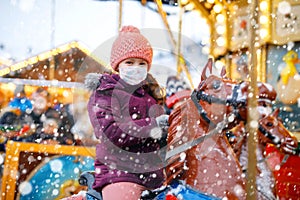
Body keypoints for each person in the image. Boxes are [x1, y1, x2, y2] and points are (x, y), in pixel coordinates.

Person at [85, 25, 168, 200]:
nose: (136, 68)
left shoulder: (151, 96)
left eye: (142, 63)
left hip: (153, 176)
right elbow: (111, 132)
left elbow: (159, 141)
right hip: (120, 173)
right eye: (129, 62)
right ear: (118, 65)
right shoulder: (105, 93)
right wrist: (155, 126)